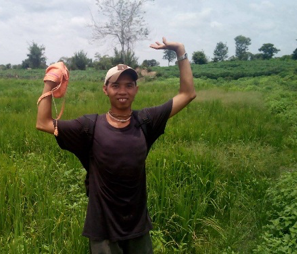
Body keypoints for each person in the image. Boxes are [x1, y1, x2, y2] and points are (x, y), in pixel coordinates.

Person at [36, 37, 195, 253]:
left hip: (137, 228)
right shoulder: (89, 126)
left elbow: (187, 94)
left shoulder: (146, 121)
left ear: (136, 90)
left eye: (129, 85)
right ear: (105, 89)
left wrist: (180, 51)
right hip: (103, 232)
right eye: (116, 85)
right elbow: (43, 123)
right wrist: (50, 82)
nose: (123, 91)